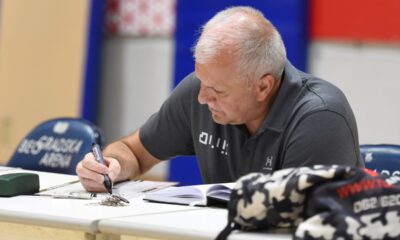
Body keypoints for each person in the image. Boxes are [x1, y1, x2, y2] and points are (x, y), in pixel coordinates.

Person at [76, 6, 364, 192]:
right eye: (202, 82)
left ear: (263, 86)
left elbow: (295, 221)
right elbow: (134, 152)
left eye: (218, 91)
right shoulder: (198, 91)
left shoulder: (320, 117)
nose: (202, 98)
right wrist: (111, 164)